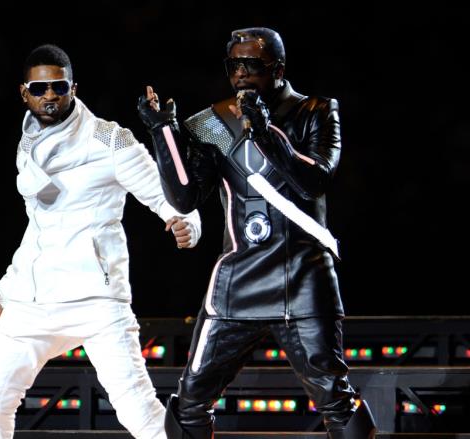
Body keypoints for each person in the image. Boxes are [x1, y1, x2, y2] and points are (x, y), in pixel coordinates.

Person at [137, 27, 376, 439]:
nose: (241, 74)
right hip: (238, 278)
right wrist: (163, 133)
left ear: (278, 70)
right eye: (234, 65)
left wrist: (266, 132)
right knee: (189, 402)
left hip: (302, 273)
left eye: (252, 65)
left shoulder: (316, 110)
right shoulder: (214, 121)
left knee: (336, 399)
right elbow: (185, 196)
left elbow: (313, 181)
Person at [0, 43, 201, 439]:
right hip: (34, 302)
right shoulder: (27, 143)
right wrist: (7, 285)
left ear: (74, 87)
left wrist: (186, 223)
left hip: (96, 298)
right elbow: (41, 229)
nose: (50, 96)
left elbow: (167, 194)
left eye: (59, 86)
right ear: (24, 93)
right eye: (39, 89)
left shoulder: (110, 139)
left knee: (138, 410)